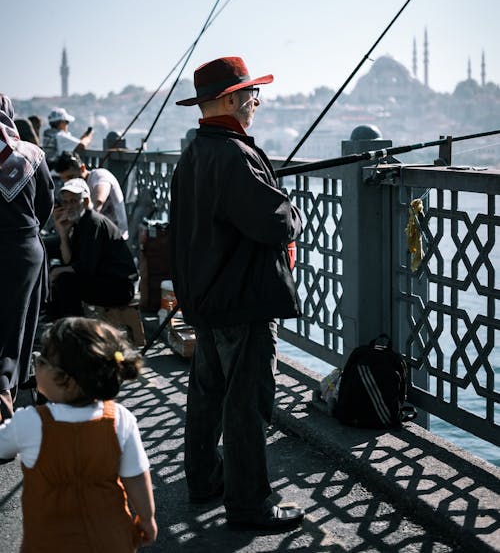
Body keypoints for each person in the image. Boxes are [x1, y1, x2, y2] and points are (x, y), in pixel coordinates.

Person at [170, 56, 305, 531]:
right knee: (247, 403)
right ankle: (250, 506)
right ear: (228, 99)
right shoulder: (234, 155)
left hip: (206, 299)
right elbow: (275, 223)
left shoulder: (193, 153)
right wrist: (291, 209)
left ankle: (205, 480)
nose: (257, 102)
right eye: (251, 94)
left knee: (207, 396)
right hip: (242, 301)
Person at [0, 316, 157, 550]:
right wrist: (147, 518)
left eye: (43, 359)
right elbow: (137, 477)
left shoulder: (30, 423)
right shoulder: (120, 419)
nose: (37, 363)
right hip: (112, 540)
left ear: (68, 381)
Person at [0, 94, 54, 423]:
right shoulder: (30, 154)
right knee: (12, 327)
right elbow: (46, 203)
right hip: (22, 251)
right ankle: (6, 398)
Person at [48, 178, 138, 320]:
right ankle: (57, 323)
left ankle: (75, 329)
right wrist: (63, 234)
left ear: (85, 201)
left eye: (73, 201)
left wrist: (58, 271)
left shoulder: (93, 222)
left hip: (119, 287)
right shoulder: (78, 223)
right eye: (65, 202)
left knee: (66, 282)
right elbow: (69, 261)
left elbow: (85, 267)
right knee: (59, 277)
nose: (69, 206)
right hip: (102, 278)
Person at [54, 151, 129, 239]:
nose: (67, 182)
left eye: (70, 177)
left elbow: (99, 201)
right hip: (92, 235)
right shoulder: (73, 185)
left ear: (82, 168)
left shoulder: (100, 175)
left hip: (113, 238)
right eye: (63, 179)